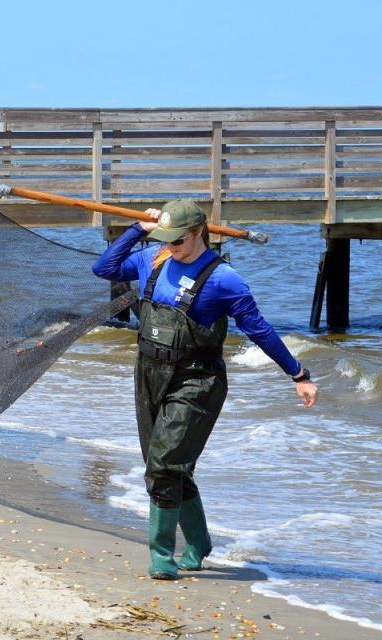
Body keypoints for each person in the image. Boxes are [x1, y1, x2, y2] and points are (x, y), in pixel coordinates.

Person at [92, 199, 318, 580]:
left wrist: (298, 374)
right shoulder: (154, 258)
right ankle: (199, 545)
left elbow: (259, 330)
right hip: (149, 372)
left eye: (176, 239)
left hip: (197, 381)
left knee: (163, 467)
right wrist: (138, 230)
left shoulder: (223, 278)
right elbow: (103, 268)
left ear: (198, 233)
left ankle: (163, 558)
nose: (170, 246)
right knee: (166, 466)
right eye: (165, 238)